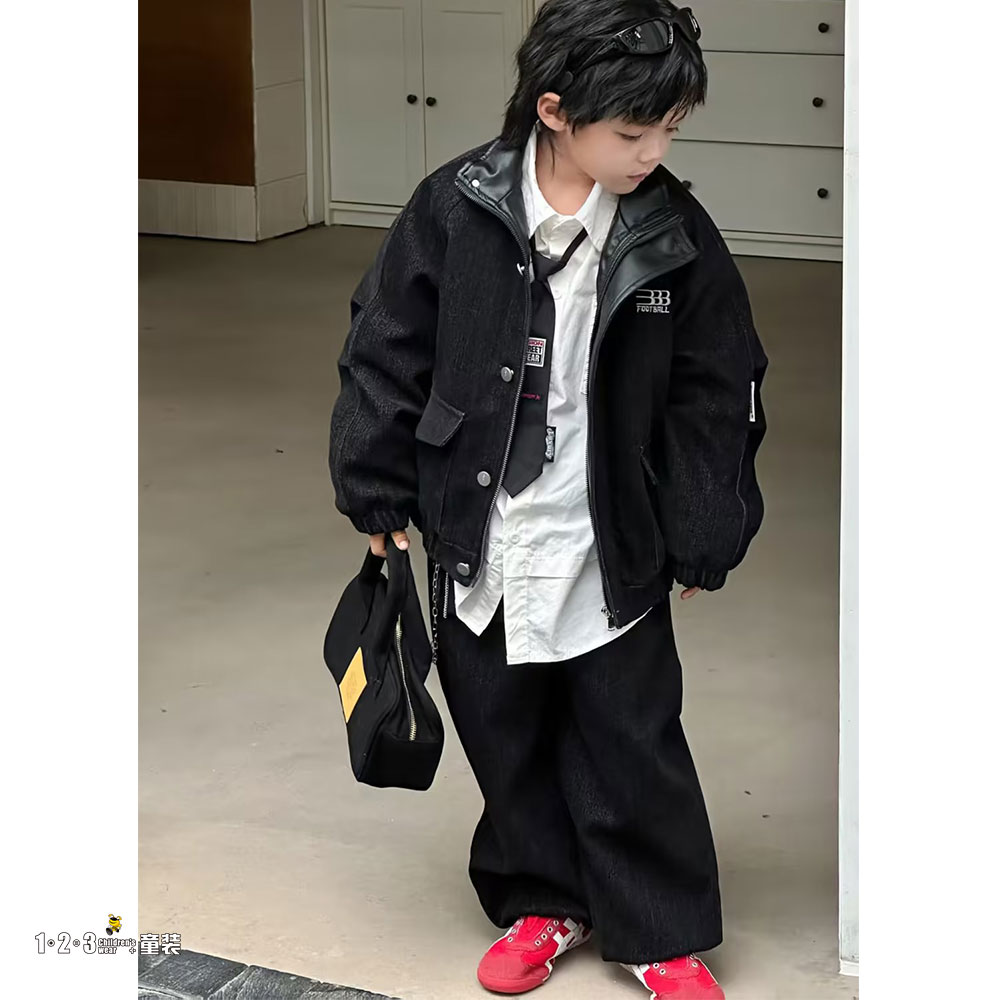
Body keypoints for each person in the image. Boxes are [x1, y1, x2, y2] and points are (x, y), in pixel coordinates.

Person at [328, 2, 769, 997]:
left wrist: (703, 525)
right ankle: (543, 898)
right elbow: (384, 344)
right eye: (633, 131)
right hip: (479, 526)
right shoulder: (456, 207)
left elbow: (718, 383)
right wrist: (374, 483)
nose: (654, 153)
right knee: (502, 726)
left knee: (631, 733)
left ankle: (658, 930)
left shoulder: (670, 230)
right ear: (555, 110)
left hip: (604, 528)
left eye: (670, 129)